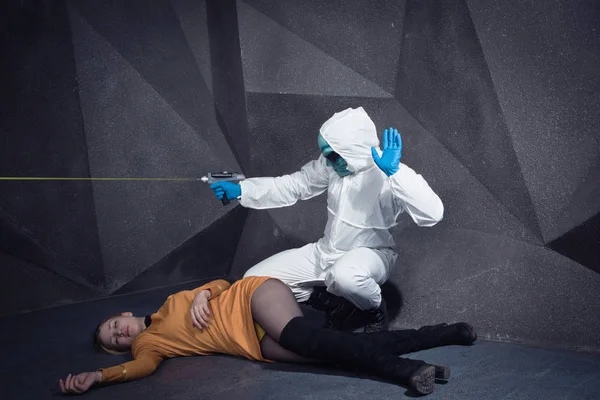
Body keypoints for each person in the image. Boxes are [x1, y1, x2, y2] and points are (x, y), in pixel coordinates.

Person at [210, 107, 444, 332]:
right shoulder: (333, 167)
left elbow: (433, 214)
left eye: (332, 155)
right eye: (326, 155)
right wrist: (242, 190)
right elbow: (294, 186)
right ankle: (335, 305)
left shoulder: (388, 171)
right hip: (326, 252)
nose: (328, 162)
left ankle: (374, 311)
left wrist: (395, 173)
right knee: (254, 280)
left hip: (372, 255)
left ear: (352, 149)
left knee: (346, 276)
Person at [58, 277, 476, 396]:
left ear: (123, 315)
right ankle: (443, 334)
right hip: (252, 342)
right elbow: (142, 367)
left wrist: (203, 294)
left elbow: (221, 283)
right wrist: (99, 377)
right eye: (114, 341)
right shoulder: (148, 345)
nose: (119, 335)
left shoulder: (172, 301)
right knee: (329, 353)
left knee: (308, 340)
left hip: (252, 298)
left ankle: (406, 371)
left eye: (113, 326)